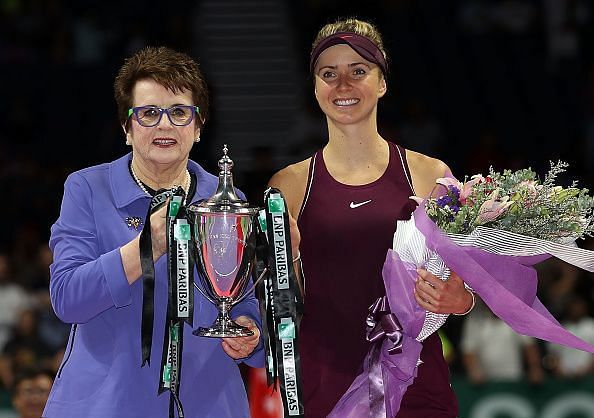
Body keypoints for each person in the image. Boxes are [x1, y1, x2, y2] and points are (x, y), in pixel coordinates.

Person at [269, 18, 475, 417]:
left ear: (381, 83)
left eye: (358, 71)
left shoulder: (431, 175)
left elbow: (465, 283)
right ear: (315, 88)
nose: (343, 85)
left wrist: (461, 300)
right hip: (327, 384)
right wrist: (288, 259)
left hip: (415, 384)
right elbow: (284, 302)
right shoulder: (289, 185)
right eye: (329, 74)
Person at [43, 46, 263, 418]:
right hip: (105, 406)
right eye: (148, 113)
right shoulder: (87, 189)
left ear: (198, 126)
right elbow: (67, 298)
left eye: (179, 113)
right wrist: (148, 245)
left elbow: (242, 301)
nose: (164, 125)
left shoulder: (226, 200)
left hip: (208, 404)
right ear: (127, 128)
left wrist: (249, 331)